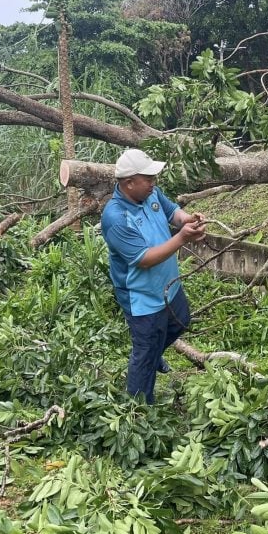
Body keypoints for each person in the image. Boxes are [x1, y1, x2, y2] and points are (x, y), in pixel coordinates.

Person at [100, 148, 206, 404]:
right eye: (148, 179)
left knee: (180, 321)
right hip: (142, 298)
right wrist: (182, 238)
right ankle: (138, 410)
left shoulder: (151, 194)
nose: (153, 183)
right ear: (129, 183)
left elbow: (173, 213)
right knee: (144, 354)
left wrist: (187, 220)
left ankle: (154, 352)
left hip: (169, 286)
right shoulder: (116, 218)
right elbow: (144, 260)